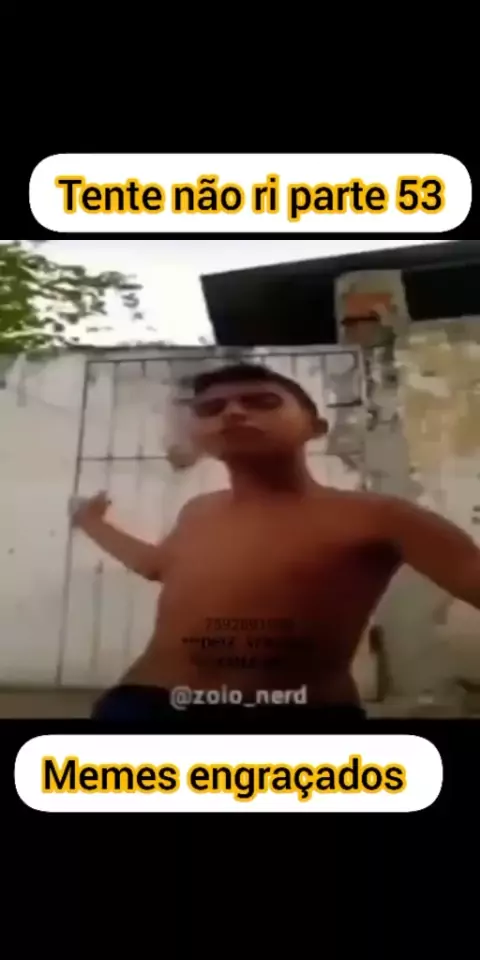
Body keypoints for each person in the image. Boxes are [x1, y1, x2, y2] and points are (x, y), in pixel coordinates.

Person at [71, 363, 480, 722]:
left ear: (315, 427)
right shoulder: (198, 510)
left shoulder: (380, 515)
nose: (232, 412)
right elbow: (157, 566)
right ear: (197, 433)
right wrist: (92, 524)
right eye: (210, 409)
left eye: (262, 402)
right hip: (147, 704)